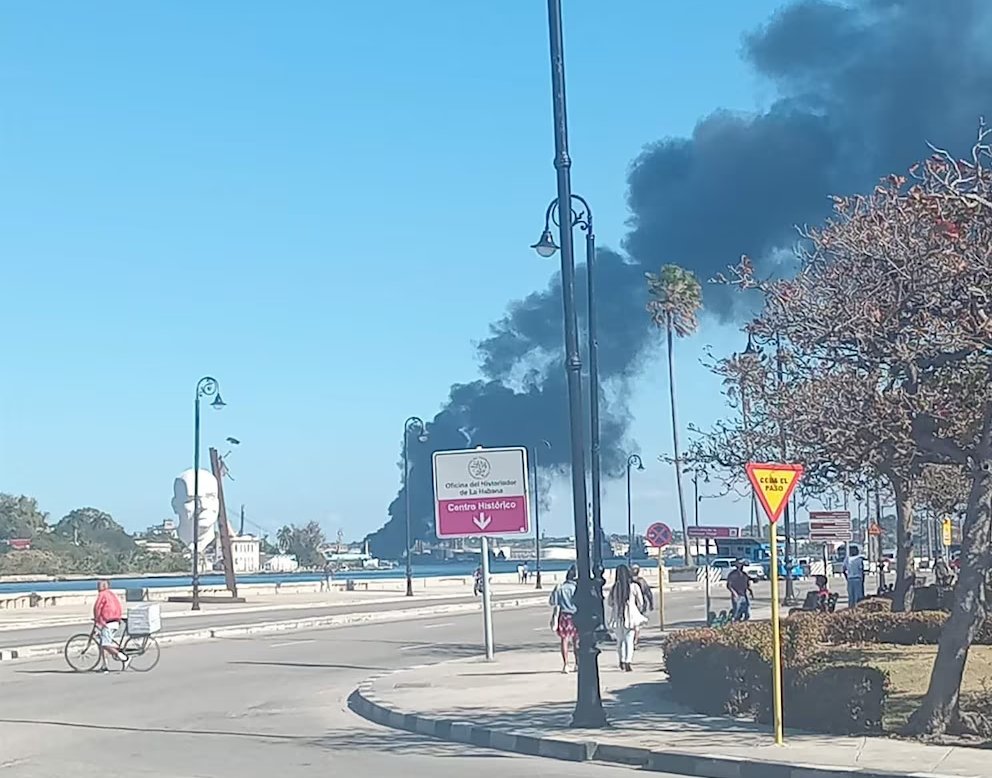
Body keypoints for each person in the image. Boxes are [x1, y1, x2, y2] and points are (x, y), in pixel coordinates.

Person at [608, 564, 647, 672]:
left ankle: (621, 660)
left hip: (617, 616)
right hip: (630, 617)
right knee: (629, 640)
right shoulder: (634, 586)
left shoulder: (614, 588)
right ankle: (628, 661)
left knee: (620, 641)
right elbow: (641, 602)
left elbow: (610, 602)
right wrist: (637, 609)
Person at [93, 580, 128, 672]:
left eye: (99, 585)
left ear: (104, 586)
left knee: (105, 644)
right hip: (115, 621)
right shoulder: (112, 594)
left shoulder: (102, 594)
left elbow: (97, 607)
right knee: (104, 642)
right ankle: (104, 666)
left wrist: (97, 619)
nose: (98, 587)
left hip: (108, 622)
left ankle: (123, 657)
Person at [548, 565, 579, 673]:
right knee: (576, 640)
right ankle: (577, 663)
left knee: (564, 640)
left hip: (564, 615)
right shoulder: (576, 589)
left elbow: (553, 602)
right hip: (575, 615)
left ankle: (566, 664)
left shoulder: (561, 588)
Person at [629, 564, 654, 646]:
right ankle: (634, 639)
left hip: (636, 604)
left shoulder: (629, 581)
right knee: (635, 624)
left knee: (633, 623)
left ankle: (634, 639)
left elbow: (647, 592)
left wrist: (650, 603)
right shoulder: (641, 581)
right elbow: (648, 592)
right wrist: (651, 603)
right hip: (639, 604)